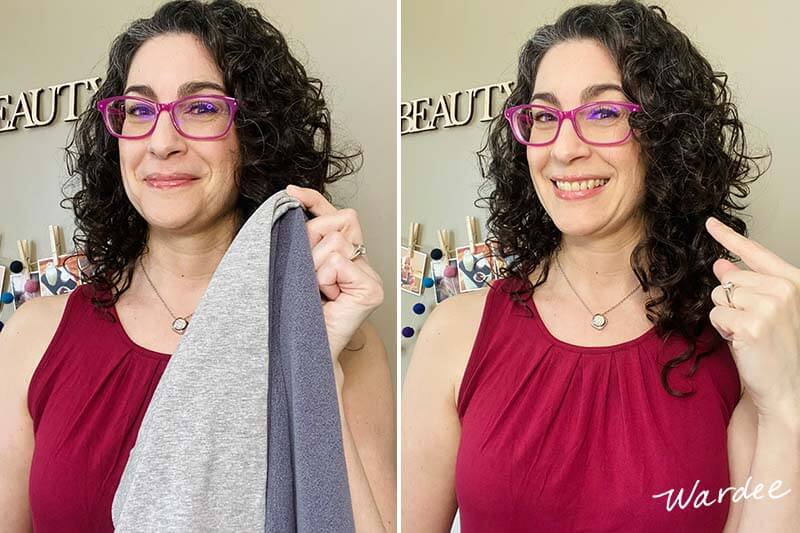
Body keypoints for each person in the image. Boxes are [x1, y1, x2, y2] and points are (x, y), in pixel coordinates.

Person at [402, 1, 799, 532]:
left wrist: (787, 405)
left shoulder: (738, 339)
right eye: (544, 117)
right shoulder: (455, 332)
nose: (564, 149)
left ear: (665, 134)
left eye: (603, 113)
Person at [0, 1, 395, 531]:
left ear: (253, 133)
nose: (162, 143)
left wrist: (318, 364)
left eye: (202, 108)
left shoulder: (342, 346)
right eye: (139, 111)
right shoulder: (32, 336)